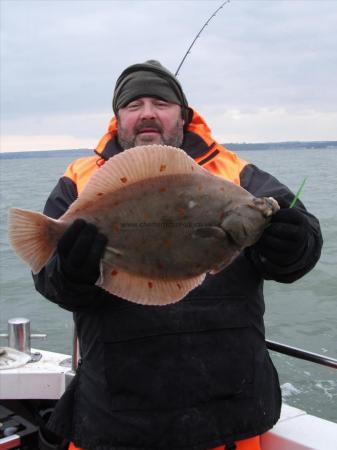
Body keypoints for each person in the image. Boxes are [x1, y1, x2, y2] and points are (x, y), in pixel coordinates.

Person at [33, 60, 323, 450]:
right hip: (118, 414)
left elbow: (297, 248)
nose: (147, 113)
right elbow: (49, 276)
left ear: (183, 115)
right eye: (134, 105)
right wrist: (71, 272)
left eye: (161, 103)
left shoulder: (236, 174)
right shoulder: (80, 181)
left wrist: (294, 244)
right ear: (118, 117)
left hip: (233, 413)